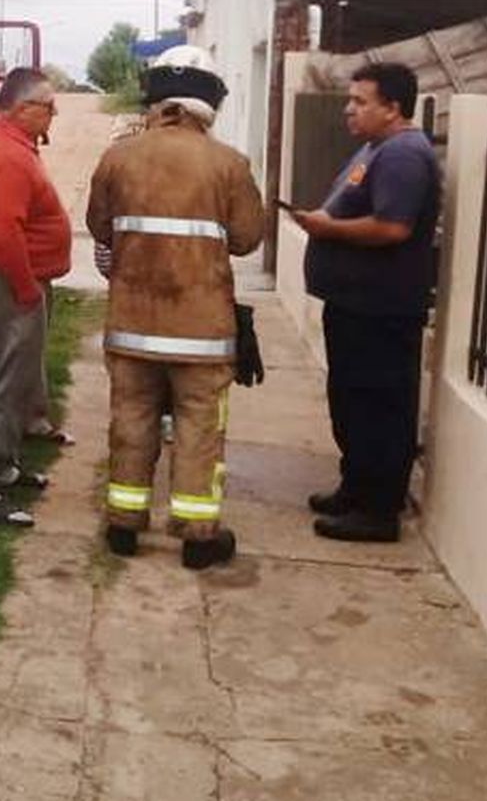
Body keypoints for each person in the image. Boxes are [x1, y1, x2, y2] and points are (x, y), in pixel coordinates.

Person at [86, 46, 264, 569]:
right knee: (199, 428)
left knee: (131, 420)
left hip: (132, 326)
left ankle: (123, 525)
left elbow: (100, 227)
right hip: (202, 332)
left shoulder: (118, 158)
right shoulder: (229, 164)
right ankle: (196, 534)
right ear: (209, 102)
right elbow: (248, 238)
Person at [292, 61, 438, 544]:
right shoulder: (377, 149)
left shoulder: (403, 155)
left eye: (360, 101)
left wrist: (326, 228)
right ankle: (356, 487)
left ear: (393, 108)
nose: (349, 110)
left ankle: (378, 510)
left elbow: (393, 227)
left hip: (381, 308)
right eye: (350, 100)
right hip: (355, 304)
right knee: (351, 400)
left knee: (377, 405)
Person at [0, 68, 73, 527]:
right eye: (49, 106)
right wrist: (27, 288)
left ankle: (2, 465)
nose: (54, 114)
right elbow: (6, 231)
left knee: (14, 377)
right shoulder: (9, 156)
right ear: (22, 109)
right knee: (6, 380)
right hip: (8, 279)